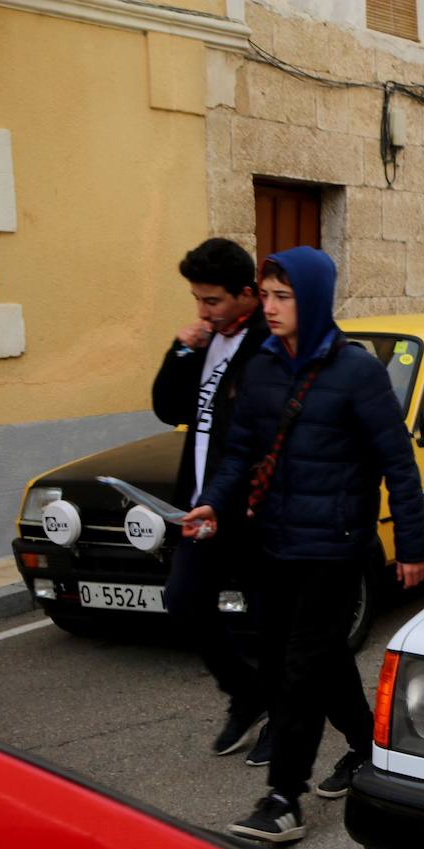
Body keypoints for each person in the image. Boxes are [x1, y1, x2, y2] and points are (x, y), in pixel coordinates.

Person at [184, 247, 424, 844]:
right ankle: (369, 746)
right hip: (275, 541)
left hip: (336, 547)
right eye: (265, 295)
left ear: (313, 300)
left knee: (297, 671)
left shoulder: (358, 372)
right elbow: (239, 451)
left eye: (282, 296)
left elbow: (398, 463)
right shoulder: (264, 367)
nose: (268, 307)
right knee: (309, 661)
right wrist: (214, 500)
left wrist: (413, 547)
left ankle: (283, 799)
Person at [153, 239, 273, 764]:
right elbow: (168, 409)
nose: (203, 311)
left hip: (252, 508)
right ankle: (246, 693)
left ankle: (285, 714)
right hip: (201, 505)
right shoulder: (204, 342)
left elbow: (263, 435)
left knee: (272, 617)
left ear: (247, 295)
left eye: (213, 301)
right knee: (184, 600)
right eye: (197, 300)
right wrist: (181, 351)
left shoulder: (269, 344)